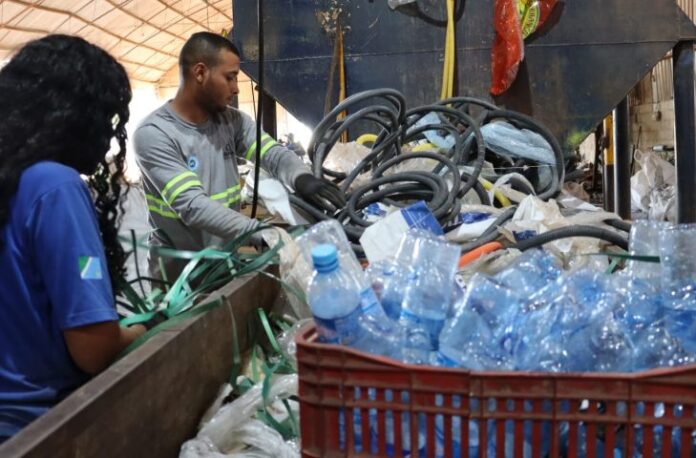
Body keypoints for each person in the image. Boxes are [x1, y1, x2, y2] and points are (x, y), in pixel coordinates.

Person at [0, 35, 147, 443]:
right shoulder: (54, 185)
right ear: (74, 114)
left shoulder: (11, 180)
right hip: (36, 427)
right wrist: (143, 329)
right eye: (105, 117)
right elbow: (93, 349)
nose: (107, 135)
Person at [133, 32, 345, 280]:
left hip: (225, 264)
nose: (235, 88)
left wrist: (301, 177)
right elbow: (193, 206)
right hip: (180, 279)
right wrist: (264, 233)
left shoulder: (231, 122)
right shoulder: (154, 134)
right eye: (230, 77)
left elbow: (272, 154)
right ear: (200, 73)